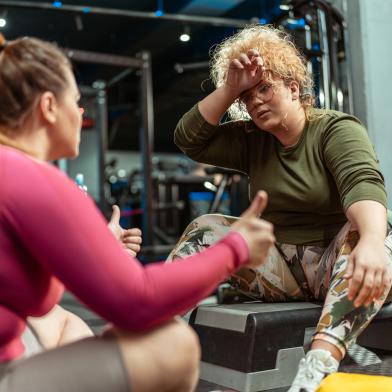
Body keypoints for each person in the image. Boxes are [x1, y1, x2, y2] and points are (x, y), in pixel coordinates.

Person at [0, 33, 275, 392]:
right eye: (77, 102)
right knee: (169, 343)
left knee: (63, 320)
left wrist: (99, 248)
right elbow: (137, 301)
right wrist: (235, 248)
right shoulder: (31, 177)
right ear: (49, 107)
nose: (81, 112)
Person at [172, 24, 392, 392]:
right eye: (247, 97)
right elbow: (188, 139)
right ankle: (158, 337)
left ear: (293, 88)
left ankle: (317, 366)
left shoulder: (334, 129)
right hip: (282, 273)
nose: (255, 101)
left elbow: (363, 185)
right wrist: (229, 88)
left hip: (336, 266)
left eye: (264, 88)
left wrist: (371, 241)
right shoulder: (253, 141)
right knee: (207, 227)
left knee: (376, 235)